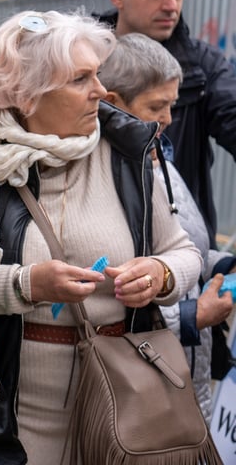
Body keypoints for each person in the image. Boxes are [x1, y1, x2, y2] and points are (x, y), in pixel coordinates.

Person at [0, 10, 202, 462]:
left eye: (96, 74)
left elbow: (184, 252)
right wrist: (26, 285)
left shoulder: (126, 156)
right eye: (81, 79)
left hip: (125, 397)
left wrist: (159, 274)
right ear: (28, 93)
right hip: (13, 407)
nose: (100, 90)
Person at [100, 32, 236, 424]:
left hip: (182, 378)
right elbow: (107, 292)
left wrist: (221, 265)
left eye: (172, 105)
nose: (169, 120)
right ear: (112, 103)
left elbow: (182, 245)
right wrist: (192, 316)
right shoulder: (103, 178)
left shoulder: (158, 155)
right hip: (140, 397)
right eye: (156, 106)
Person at [97, 0, 236, 249]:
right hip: (96, 256)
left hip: (182, 249)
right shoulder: (81, 61)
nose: (171, 5)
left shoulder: (202, 67)